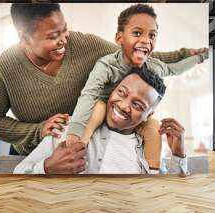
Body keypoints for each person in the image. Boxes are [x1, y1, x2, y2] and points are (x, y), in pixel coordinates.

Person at [0, 3, 207, 156]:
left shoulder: (86, 45)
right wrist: (37, 131)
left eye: (65, 29)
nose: (63, 40)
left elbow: (132, 54)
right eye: (52, 36)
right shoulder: (6, 67)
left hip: (76, 148)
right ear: (24, 37)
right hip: (28, 153)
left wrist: (186, 54)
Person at [66, 4, 207, 170]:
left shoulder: (153, 66)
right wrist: (75, 131)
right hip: (104, 108)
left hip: (128, 119)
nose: (145, 40)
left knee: (154, 126)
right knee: (98, 106)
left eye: (152, 35)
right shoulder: (107, 65)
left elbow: (173, 68)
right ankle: (75, 151)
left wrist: (199, 57)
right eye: (137, 33)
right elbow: (89, 94)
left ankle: (152, 173)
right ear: (119, 38)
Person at [14, 67, 189, 175]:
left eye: (138, 105)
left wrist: (179, 154)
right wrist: (46, 168)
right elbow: (18, 173)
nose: (124, 106)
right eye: (122, 93)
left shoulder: (149, 149)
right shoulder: (71, 129)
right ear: (113, 91)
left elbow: (165, 195)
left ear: (148, 116)